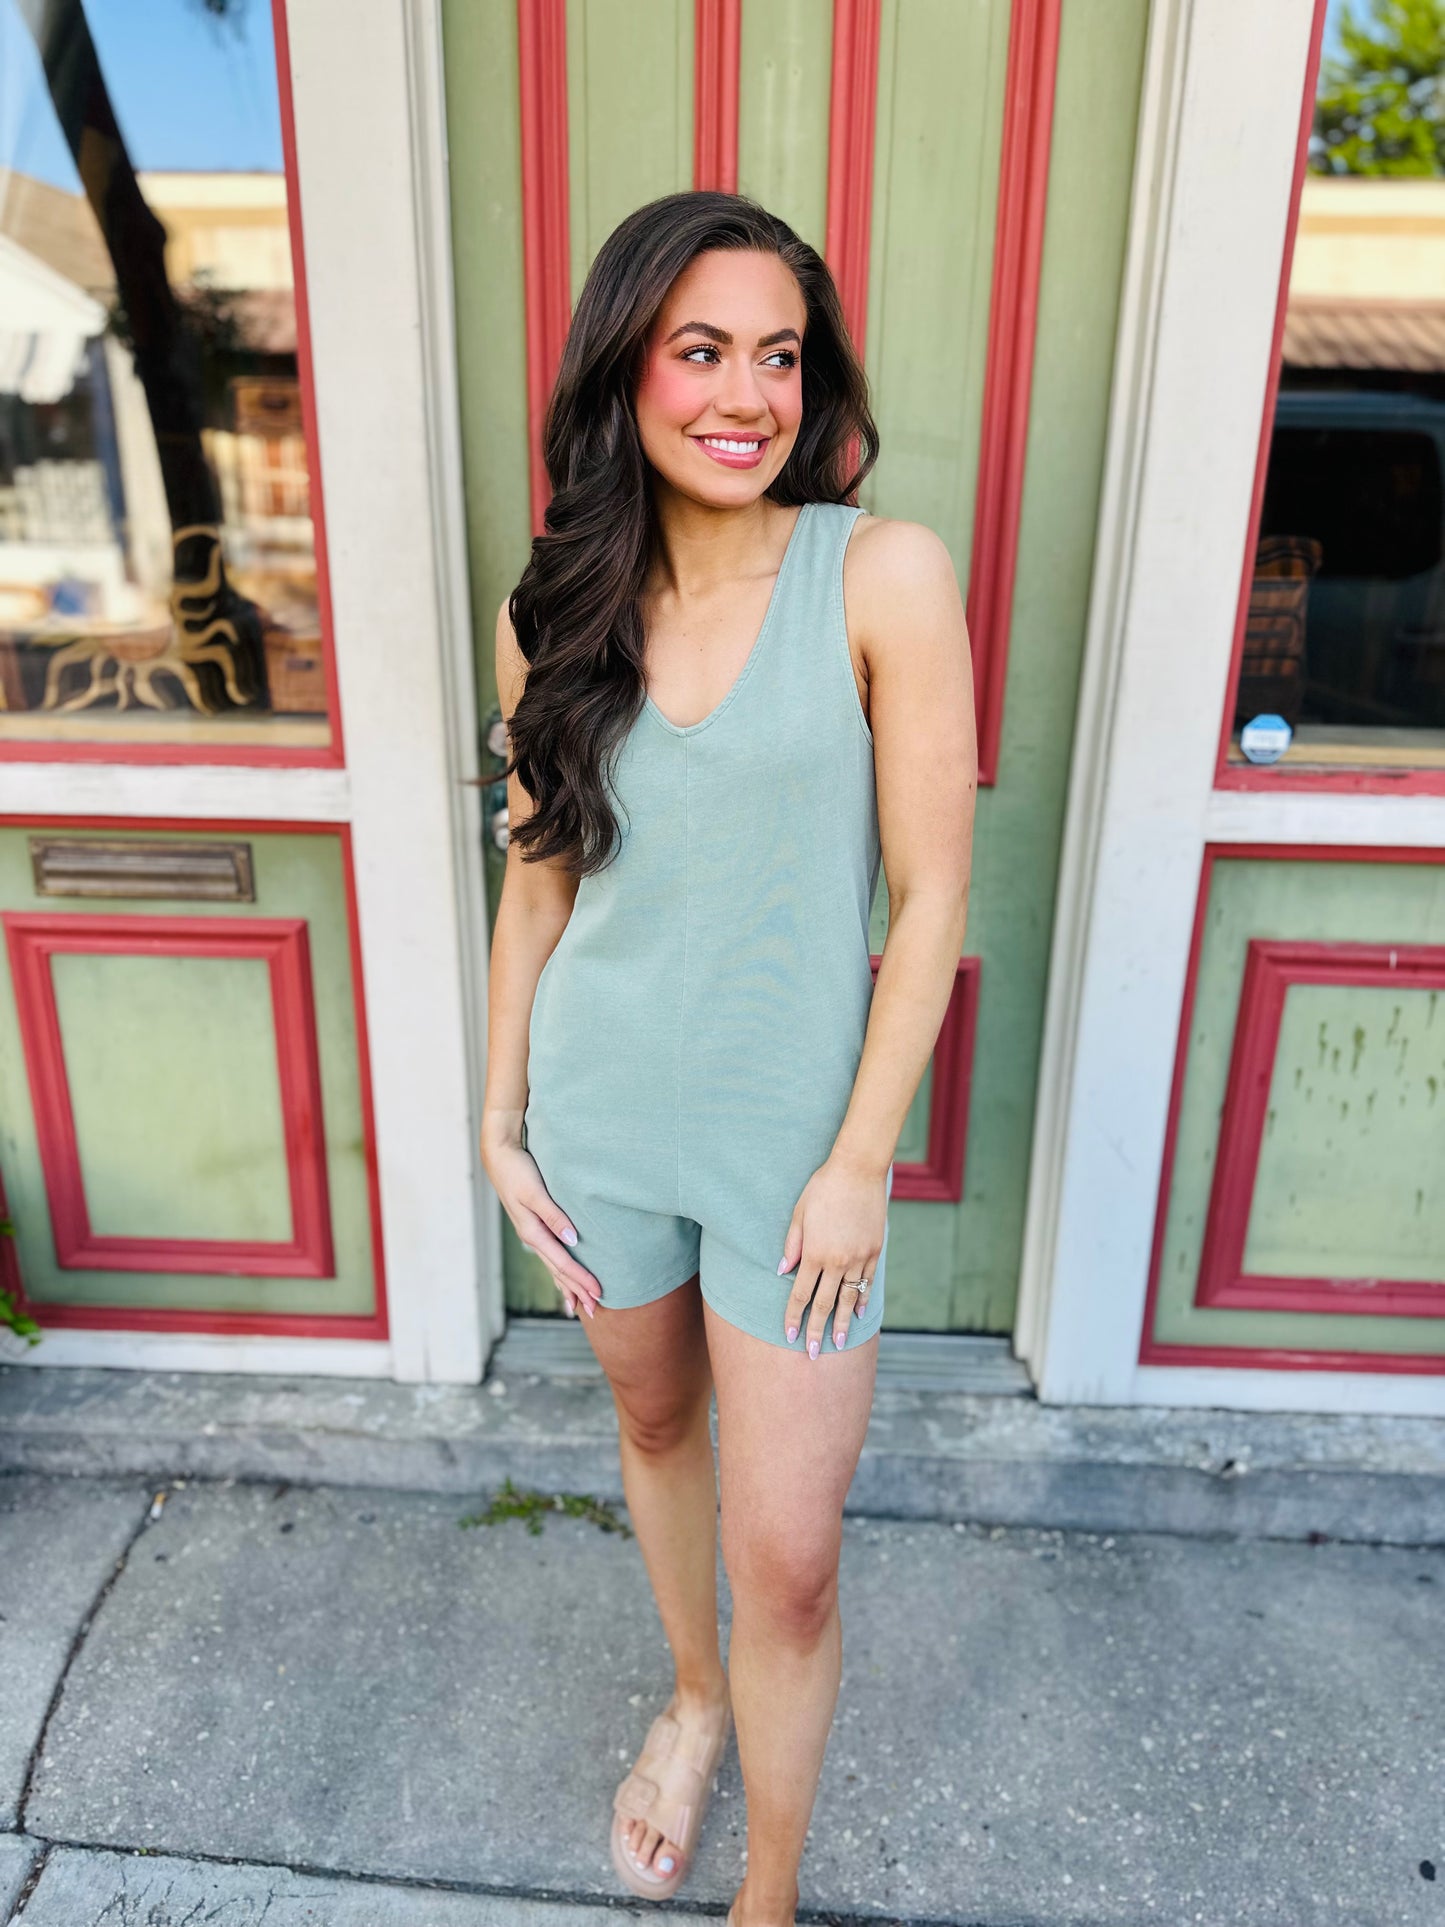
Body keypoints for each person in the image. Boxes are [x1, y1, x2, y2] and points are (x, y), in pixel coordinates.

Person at [481, 189, 976, 1927]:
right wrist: (498, 1118)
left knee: (791, 1561)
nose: (746, 394)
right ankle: (691, 1701)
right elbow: (539, 883)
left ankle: (768, 1895)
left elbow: (931, 897)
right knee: (650, 1414)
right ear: (624, 369)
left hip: (792, 1157)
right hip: (600, 1117)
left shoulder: (880, 574)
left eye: (779, 355)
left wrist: (856, 1166)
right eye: (700, 350)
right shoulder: (554, 606)